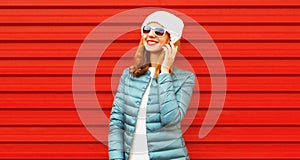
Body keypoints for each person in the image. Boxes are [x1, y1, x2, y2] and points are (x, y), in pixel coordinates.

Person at [108, 11, 195, 160]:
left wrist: (165, 72)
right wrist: (116, 157)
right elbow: (116, 121)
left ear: (171, 39)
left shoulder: (185, 78)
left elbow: (171, 119)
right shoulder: (128, 75)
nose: (151, 34)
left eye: (159, 31)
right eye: (147, 29)